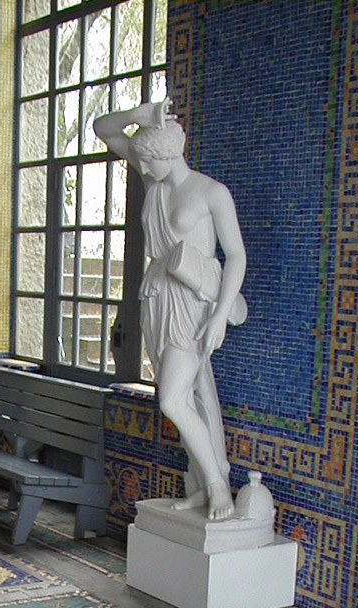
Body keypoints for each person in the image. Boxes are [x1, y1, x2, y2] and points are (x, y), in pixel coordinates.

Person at [94, 99, 247, 520]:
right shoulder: (155, 181)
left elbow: (236, 256)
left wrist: (219, 317)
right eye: (140, 160)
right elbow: (104, 130)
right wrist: (138, 116)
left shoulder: (211, 192)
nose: (142, 168)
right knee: (193, 396)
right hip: (158, 298)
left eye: (148, 161)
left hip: (191, 304)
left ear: (168, 154)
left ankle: (217, 486)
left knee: (173, 400)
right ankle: (199, 484)